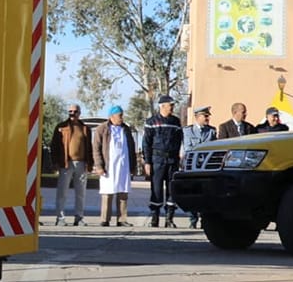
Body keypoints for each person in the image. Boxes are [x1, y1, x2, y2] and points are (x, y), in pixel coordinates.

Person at [141, 93, 184, 228]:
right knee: (157, 189)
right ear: (162, 106)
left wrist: (179, 158)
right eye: (170, 105)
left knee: (171, 190)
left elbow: (179, 141)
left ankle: (169, 219)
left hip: (172, 160)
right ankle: (155, 218)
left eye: (172, 105)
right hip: (157, 160)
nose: (172, 108)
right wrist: (147, 162)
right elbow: (146, 144)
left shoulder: (175, 122)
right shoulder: (151, 122)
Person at [93, 104, 139, 227]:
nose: (121, 118)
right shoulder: (102, 129)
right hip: (109, 166)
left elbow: (131, 147)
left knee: (123, 192)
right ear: (112, 116)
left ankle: (122, 219)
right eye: (119, 116)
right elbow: (96, 149)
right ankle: (105, 219)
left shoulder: (126, 129)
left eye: (122, 115)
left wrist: (133, 166)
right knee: (107, 192)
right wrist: (99, 166)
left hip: (123, 165)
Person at [47, 103, 93, 225]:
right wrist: (55, 162)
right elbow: (54, 146)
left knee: (81, 193)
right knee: (62, 192)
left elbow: (90, 147)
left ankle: (79, 217)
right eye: (70, 112)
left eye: (75, 112)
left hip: (82, 163)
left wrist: (90, 164)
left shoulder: (85, 129)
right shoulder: (61, 127)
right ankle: (60, 218)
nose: (72, 114)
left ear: (79, 113)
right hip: (66, 164)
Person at [181, 105, 217, 227]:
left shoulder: (211, 131)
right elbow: (188, 149)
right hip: (193, 167)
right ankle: (192, 219)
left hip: (206, 167)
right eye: (205, 116)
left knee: (206, 193)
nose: (207, 118)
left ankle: (204, 219)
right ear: (197, 117)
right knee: (193, 192)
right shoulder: (188, 131)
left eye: (208, 116)